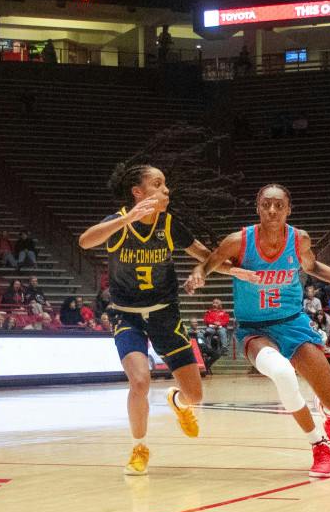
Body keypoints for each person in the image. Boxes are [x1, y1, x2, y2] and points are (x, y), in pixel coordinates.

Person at [77, 162, 229, 475]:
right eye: (158, 185)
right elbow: (85, 241)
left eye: (164, 185)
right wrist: (127, 218)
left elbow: (207, 256)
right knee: (139, 381)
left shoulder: (169, 224)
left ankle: (178, 401)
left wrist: (227, 270)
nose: (166, 190)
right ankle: (139, 448)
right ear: (138, 192)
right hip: (127, 316)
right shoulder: (118, 223)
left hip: (165, 315)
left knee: (195, 395)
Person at [195, 185, 330, 477]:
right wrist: (198, 274)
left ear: (288, 210)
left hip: (292, 322)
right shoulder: (238, 242)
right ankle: (319, 445)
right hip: (254, 328)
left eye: (278, 206)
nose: (271, 210)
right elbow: (210, 263)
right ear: (257, 207)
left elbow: (313, 266)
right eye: (266, 204)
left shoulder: (299, 239)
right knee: (281, 372)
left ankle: (327, 411)